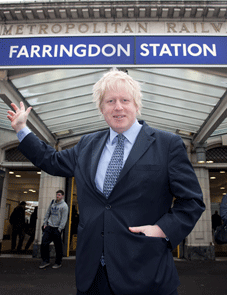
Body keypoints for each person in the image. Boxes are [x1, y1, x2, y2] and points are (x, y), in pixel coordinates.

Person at [7, 69, 205, 295]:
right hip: (92, 275)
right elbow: (51, 160)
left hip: (146, 271)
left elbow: (191, 201)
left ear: (137, 105)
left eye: (124, 100)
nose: (118, 107)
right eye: (110, 101)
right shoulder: (87, 144)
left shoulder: (167, 144)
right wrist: (22, 130)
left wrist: (162, 229)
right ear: (102, 109)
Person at [39, 190, 68, 269]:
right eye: (57, 195)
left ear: (62, 196)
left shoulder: (64, 206)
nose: (57, 196)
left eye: (59, 195)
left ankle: (58, 262)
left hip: (57, 229)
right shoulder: (52, 202)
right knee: (44, 243)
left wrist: (60, 229)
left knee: (58, 246)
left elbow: (64, 219)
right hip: (49, 226)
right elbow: (48, 213)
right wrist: (45, 223)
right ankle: (45, 261)